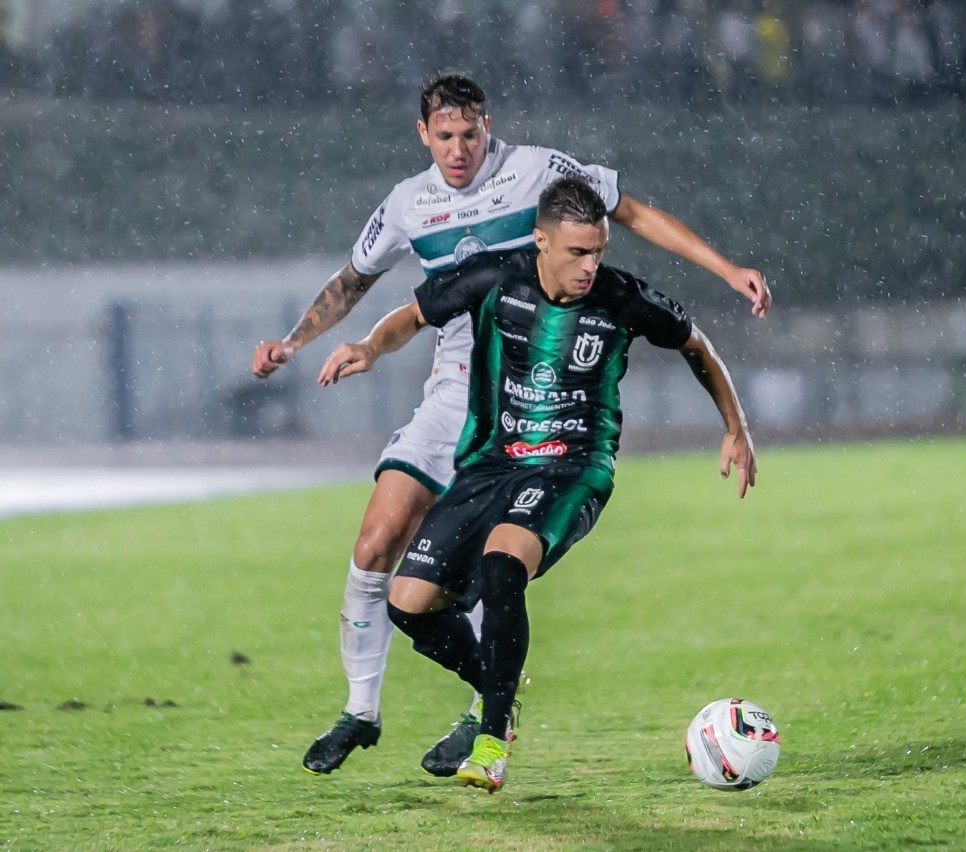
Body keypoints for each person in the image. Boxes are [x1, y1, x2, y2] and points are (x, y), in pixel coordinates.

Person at [250, 73, 770, 779]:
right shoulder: (408, 204)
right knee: (377, 546)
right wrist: (298, 342)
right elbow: (355, 281)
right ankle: (362, 711)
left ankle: (487, 716)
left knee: (495, 567)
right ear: (422, 136)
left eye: (471, 133)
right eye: (445, 137)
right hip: (454, 393)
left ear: (488, 127)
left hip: (531, 399)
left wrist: (724, 267)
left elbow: (635, 214)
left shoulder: (538, 172)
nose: (460, 149)